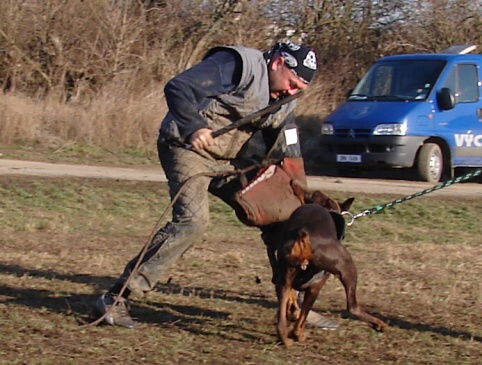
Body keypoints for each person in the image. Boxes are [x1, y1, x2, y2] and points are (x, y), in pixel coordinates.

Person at [94, 41, 338, 330]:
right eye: (291, 83)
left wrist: (303, 198)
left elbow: (289, 144)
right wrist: (193, 126)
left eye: (300, 89)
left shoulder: (285, 99)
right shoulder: (237, 65)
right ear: (277, 64)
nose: (292, 93)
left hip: (231, 161)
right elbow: (179, 87)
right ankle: (118, 297)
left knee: (288, 223)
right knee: (192, 222)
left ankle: (294, 305)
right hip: (186, 148)